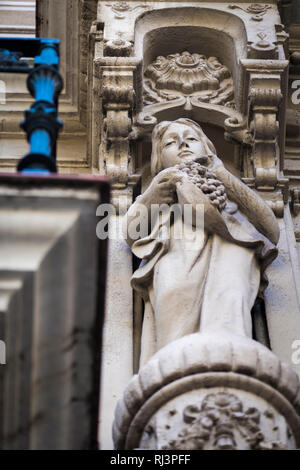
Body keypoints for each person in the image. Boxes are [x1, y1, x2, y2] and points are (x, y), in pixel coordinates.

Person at [124, 118, 279, 366]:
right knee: (175, 299)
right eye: (170, 143)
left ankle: (230, 365)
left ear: (207, 149)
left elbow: (271, 229)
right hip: (175, 249)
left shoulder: (225, 188)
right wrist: (153, 194)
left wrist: (223, 176)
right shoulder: (160, 191)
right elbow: (130, 232)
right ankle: (174, 370)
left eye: (192, 138)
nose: (183, 143)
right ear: (159, 159)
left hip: (231, 245)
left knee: (230, 299)